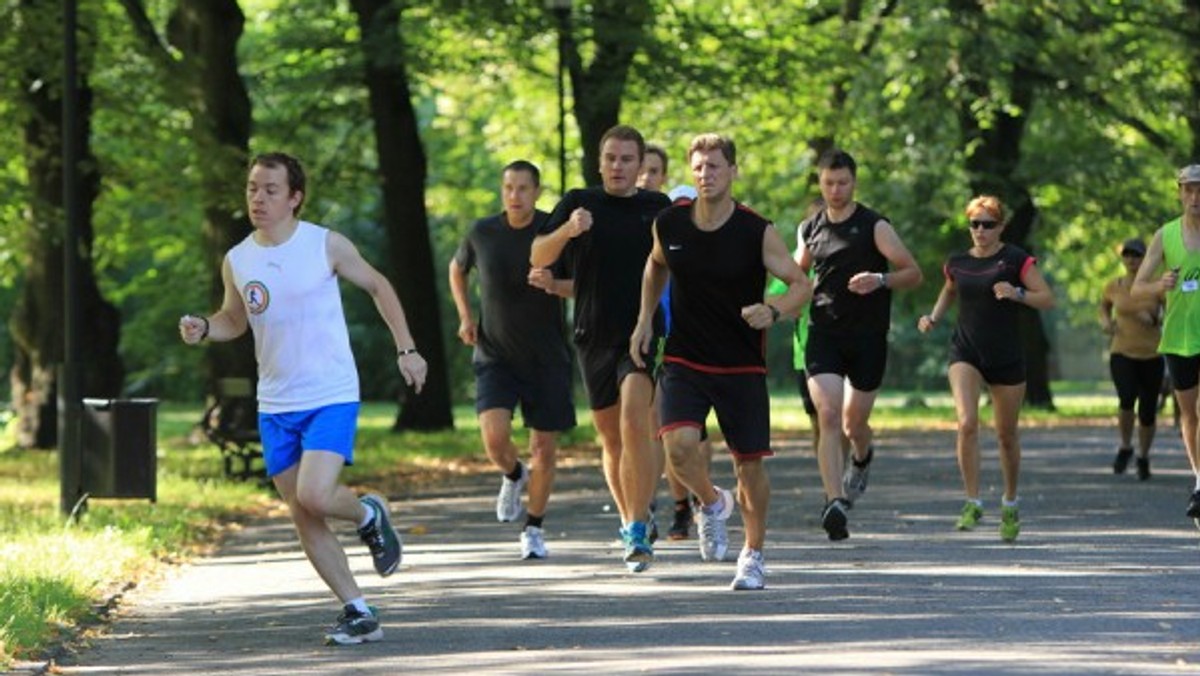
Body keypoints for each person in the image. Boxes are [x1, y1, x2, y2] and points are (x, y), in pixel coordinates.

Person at [178, 152, 426, 645]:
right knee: (302, 511)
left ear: (294, 198)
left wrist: (408, 349)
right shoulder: (238, 258)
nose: (258, 198)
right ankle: (358, 610)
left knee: (315, 494)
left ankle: (368, 514)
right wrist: (205, 327)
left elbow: (378, 285)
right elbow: (234, 319)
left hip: (330, 392)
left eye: (271, 190)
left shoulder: (324, 244)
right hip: (275, 402)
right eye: (252, 188)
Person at [632, 133, 811, 589]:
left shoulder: (756, 230)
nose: (706, 174)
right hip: (685, 357)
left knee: (749, 465)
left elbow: (800, 284)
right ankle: (711, 503)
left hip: (740, 364)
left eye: (714, 166)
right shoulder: (670, 223)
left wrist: (772, 311)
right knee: (677, 449)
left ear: (732, 171)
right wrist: (644, 320)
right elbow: (655, 266)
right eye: (698, 167)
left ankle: (753, 554)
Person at [531, 125, 671, 572]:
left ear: (640, 166)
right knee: (611, 440)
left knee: (635, 423)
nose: (617, 166)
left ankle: (635, 526)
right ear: (600, 161)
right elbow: (538, 255)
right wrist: (567, 232)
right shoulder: (578, 202)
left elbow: (678, 266)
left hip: (643, 333)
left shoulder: (658, 209)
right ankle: (635, 511)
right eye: (610, 158)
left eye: (627, 159)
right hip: (593, 334)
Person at [449, 160, 576, 560]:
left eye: (523, 188)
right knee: (495, 439)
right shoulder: (482, 232)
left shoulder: (553, 233)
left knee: (544, 449)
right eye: (508, 187)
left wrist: (554, 285)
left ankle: (533, 529)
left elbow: (584, 285)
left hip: (547, 357)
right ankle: (512, 474)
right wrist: (466, 317)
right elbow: (457, 269)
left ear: (537, 192)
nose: (515, 195)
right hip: (495, 354)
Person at [796, 149, 923, 541]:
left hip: (867, 335)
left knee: (854, 424)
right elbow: (795, 274)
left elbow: (913, 272)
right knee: (829, 416)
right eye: (829, 183)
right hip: (823, 333)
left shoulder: (874, 225)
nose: (835, 190)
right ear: (820, 182)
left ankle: (862, 456)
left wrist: (881, 280)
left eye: (843, 183)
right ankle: (834, 501)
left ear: (854, 183)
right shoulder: (809, 228)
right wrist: (776, 301)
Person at [917, 196, 1055, 541]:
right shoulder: (958, 263)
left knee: (1006, 436)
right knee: (966, 423)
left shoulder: (1015, 259)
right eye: (975, 224)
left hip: (1006, 356)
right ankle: (972, 501)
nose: (980, 230)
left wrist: (1017, 293)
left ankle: (1009, 502)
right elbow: (949, 291)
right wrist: (933, 318)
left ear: (1000, 227)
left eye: (988, 224)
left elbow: (1047, 298)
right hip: (966, 350)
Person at [638, 152, 710, 541]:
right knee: (655, 428)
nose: (646, 178)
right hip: (646, 332)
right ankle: (654, 507)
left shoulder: (680, 213)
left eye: (653, 171)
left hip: (685, 333)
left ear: (664, 176)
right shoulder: (630, 220)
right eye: (641, 171)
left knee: (688, 431)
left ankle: (697, 500)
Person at [1132, 163, 1200, 524]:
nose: (1195, 197)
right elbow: (1137, 286)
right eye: (1189, 190)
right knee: (1190, 414)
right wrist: (1160, 285)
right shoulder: (1166, 235)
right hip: (1178, 336)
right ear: (1179, 193)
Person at [1099, 237, 1165, 480]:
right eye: (1127, 255)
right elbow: (1104, 306)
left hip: (1152, 353)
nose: (1131, 260)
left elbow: (1173, 310)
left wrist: (1155, 319)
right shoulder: (1113, 285)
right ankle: (1125, 446)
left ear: (1146, 258)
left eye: (1136, 255)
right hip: (1121, 352)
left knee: (1148, 410)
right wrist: (1106, 322)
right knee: (1126, 397)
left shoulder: (1157, 285)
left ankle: (1143, 456)